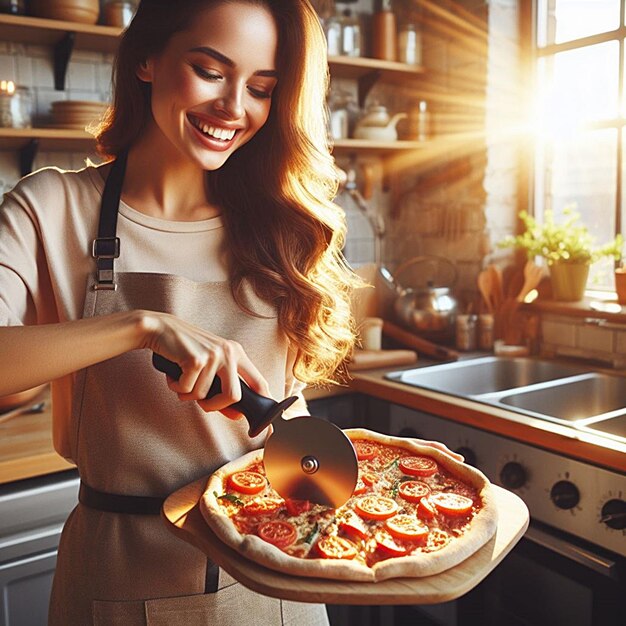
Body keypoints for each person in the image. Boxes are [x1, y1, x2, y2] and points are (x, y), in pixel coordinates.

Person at [0, 1, 460, 624]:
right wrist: (142, 325)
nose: (234, 107)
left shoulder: (283, 229)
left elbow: (285, 414)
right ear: (147, 59)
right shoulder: (50, 206)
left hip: (279, 573)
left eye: (262, 88)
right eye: (210, 70)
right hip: (122, 569)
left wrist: (384, 487)